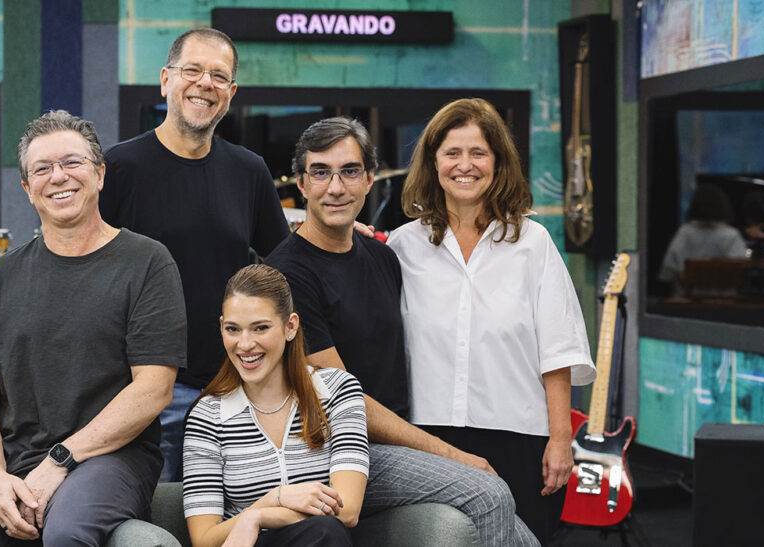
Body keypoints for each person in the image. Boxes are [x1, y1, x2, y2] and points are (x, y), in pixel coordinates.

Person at [266, 116, 537, 545]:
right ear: (301, 184)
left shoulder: (382, 257)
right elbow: (343, 403)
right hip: (336, 453)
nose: (335, 187)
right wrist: (450, 454)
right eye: (320, 172)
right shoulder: (285, 275)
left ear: (370, 180)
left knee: (523, 537)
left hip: (393, 445)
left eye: (350, 171)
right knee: (487, 492)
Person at [0, 110, 187, 546]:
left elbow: (153, 389)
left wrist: (60, 460)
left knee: (67, 533)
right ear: (27, 188)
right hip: (13, 459)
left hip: (112, 458)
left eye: (72, 162)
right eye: (43, 168)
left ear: (100, 174)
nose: (58, 177)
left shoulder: (147, 262)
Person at [387, 98, 597, 544]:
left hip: (519, 438)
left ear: (498, 163)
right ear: (433, 162)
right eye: (452, 153)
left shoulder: (533, 243)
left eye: (478, 153)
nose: (465, 165)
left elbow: (557, 351)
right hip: (428, 437)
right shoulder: (401, 247)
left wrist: (560, 439)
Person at [101, 28, 290, 482]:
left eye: (218, 75)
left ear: (231, 93)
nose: (205, 83)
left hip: (234, 389)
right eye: (193, 70)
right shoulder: (120, 168)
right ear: (166, 79)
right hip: (150, 395)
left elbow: (286, 264)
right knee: (160, 522)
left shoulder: (248, 170)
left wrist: (337, 231)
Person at [183, 264, 369, 547]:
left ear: (290, 326)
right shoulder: (207, 416)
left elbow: (346, 510)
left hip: (321, 540)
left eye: (260, 328)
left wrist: (257, 519)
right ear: (221, 328)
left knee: (324, 532)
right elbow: (204, 539)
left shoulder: (337, 391)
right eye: (233, 329)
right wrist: (272, 499)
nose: (245, 344)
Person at [658, 183, 748, 297]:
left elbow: (669, 269)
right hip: (723, 301)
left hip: (687, 301)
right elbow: (740, 270)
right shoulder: (731, 235)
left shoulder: (685, 232)